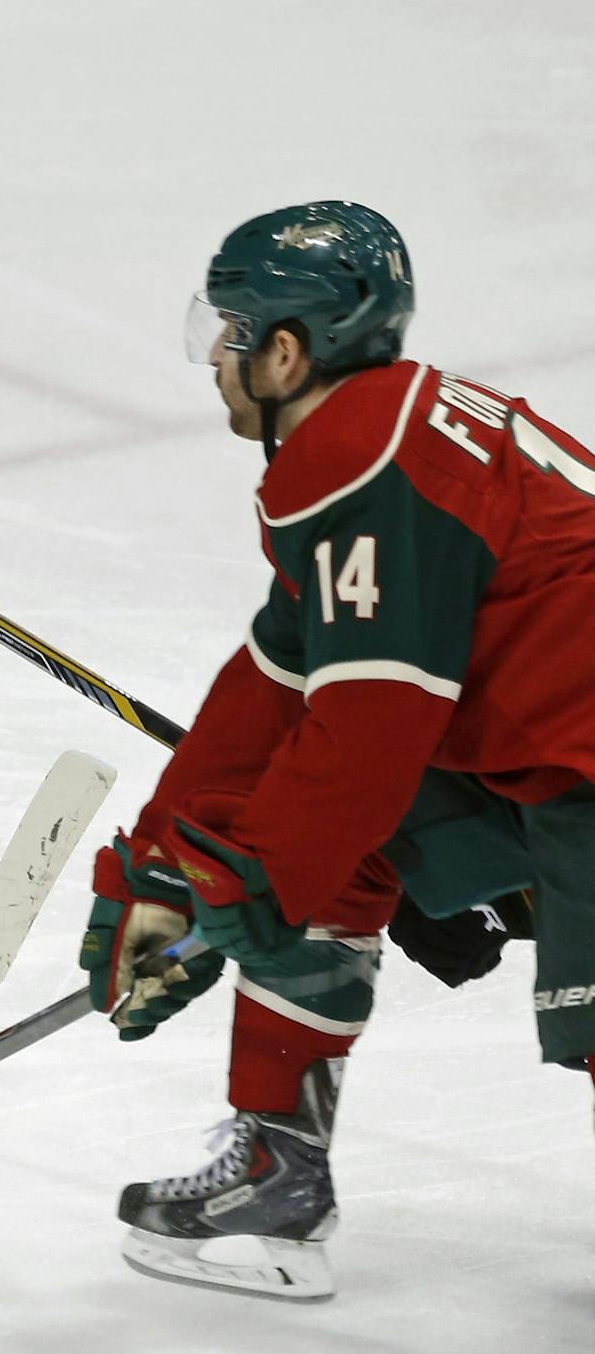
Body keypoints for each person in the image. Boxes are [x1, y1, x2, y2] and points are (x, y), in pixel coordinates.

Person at [78, 200, 595, 1300]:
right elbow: (276, 680)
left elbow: (372, 725)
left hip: (581, 762)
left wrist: (253, 877)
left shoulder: (364, 458)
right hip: (556, 755)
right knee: (309, 857)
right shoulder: (375, 433)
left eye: (231, 331)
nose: (216, 355)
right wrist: (173, 859)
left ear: (285, 348)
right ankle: (278, 1171)